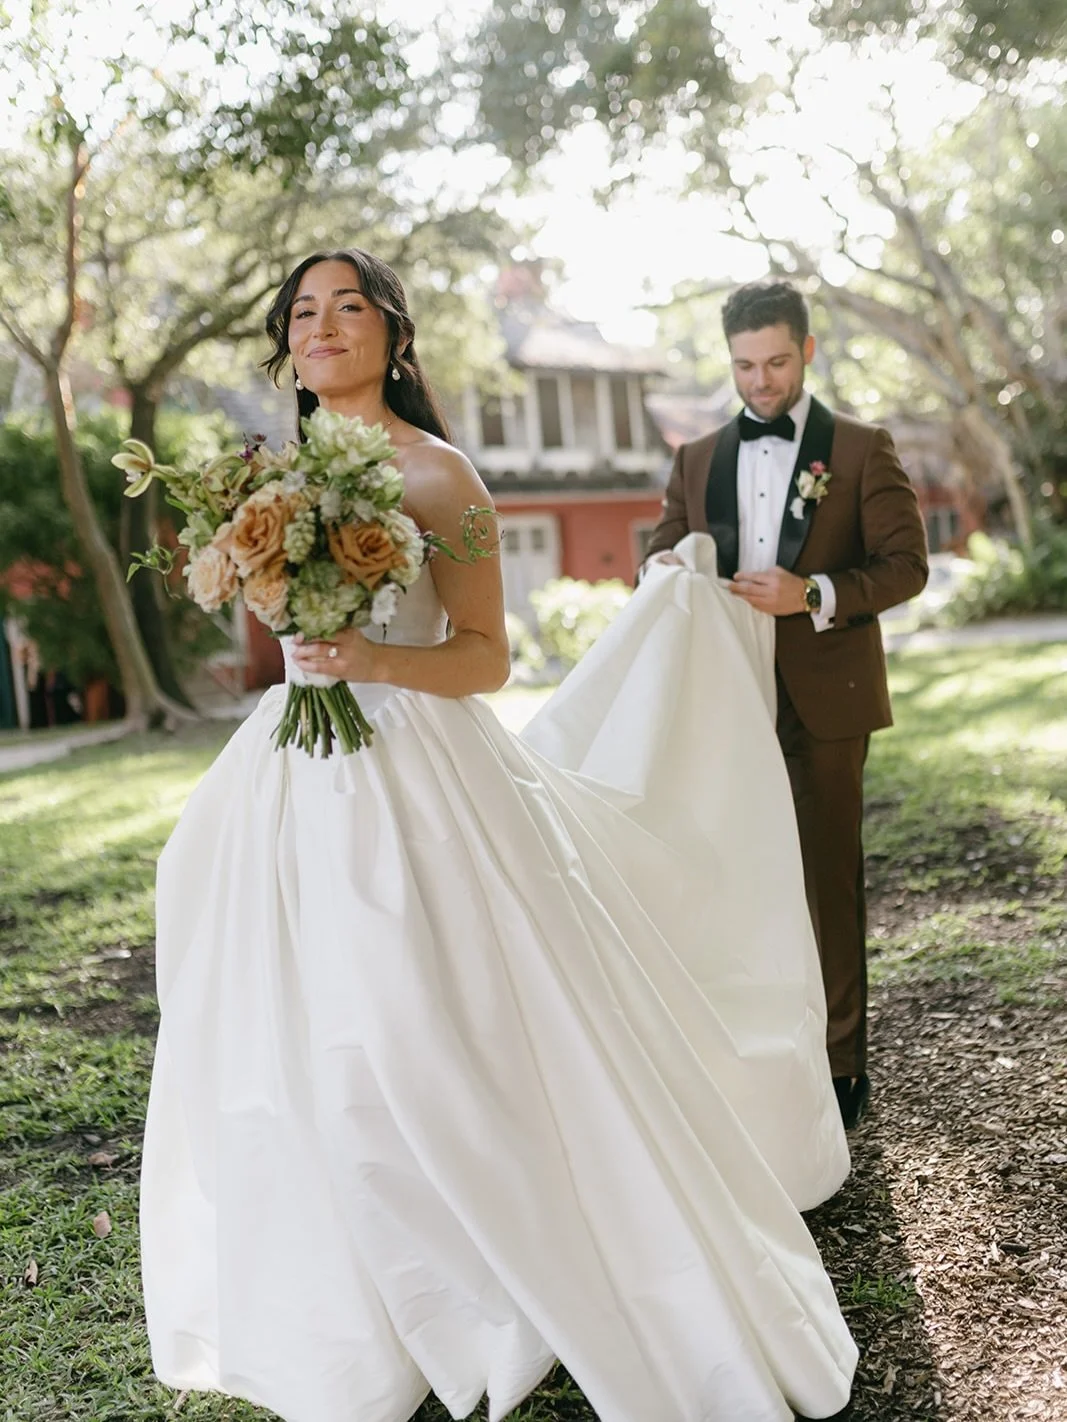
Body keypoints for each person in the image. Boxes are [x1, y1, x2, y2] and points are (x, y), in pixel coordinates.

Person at [140, 250, 858, 1422]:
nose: (323, 326)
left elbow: (485, 657)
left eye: (348, 307)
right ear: (287, 344)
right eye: (302, 313)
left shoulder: (441, 475)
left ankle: (496, 1267)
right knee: (301, 1017)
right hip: (292, 770)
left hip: (422, 772)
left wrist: (367, 656)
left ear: (392, 335)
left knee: (423, 1025)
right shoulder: (255, 478)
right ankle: (356, 1286)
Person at [643, 280, 929, 1129]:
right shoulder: (695, 459)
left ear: (805, 350)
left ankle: (841, 1064)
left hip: (827, 699)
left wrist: (812, 593)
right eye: (743, 365)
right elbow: (659, 552)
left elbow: (905, 565)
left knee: (823, 876)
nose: (759, 381)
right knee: (727, 873)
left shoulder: (863, 448)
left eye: (774, 361)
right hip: (721, 698)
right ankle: (753, 1050)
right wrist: (663, 572)